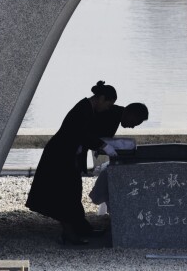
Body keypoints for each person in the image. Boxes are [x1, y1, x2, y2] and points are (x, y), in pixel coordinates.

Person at [25, 80, 120, 245]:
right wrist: (104, 146)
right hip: (59, 156)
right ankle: (69, 234)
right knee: (64, 196)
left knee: (73, 193)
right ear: (101, 98)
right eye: (108, 104)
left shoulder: (87, 108)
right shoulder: (83, 110)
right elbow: (82, 134)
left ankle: (82, 228)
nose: (107, 109)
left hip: (67, 156)